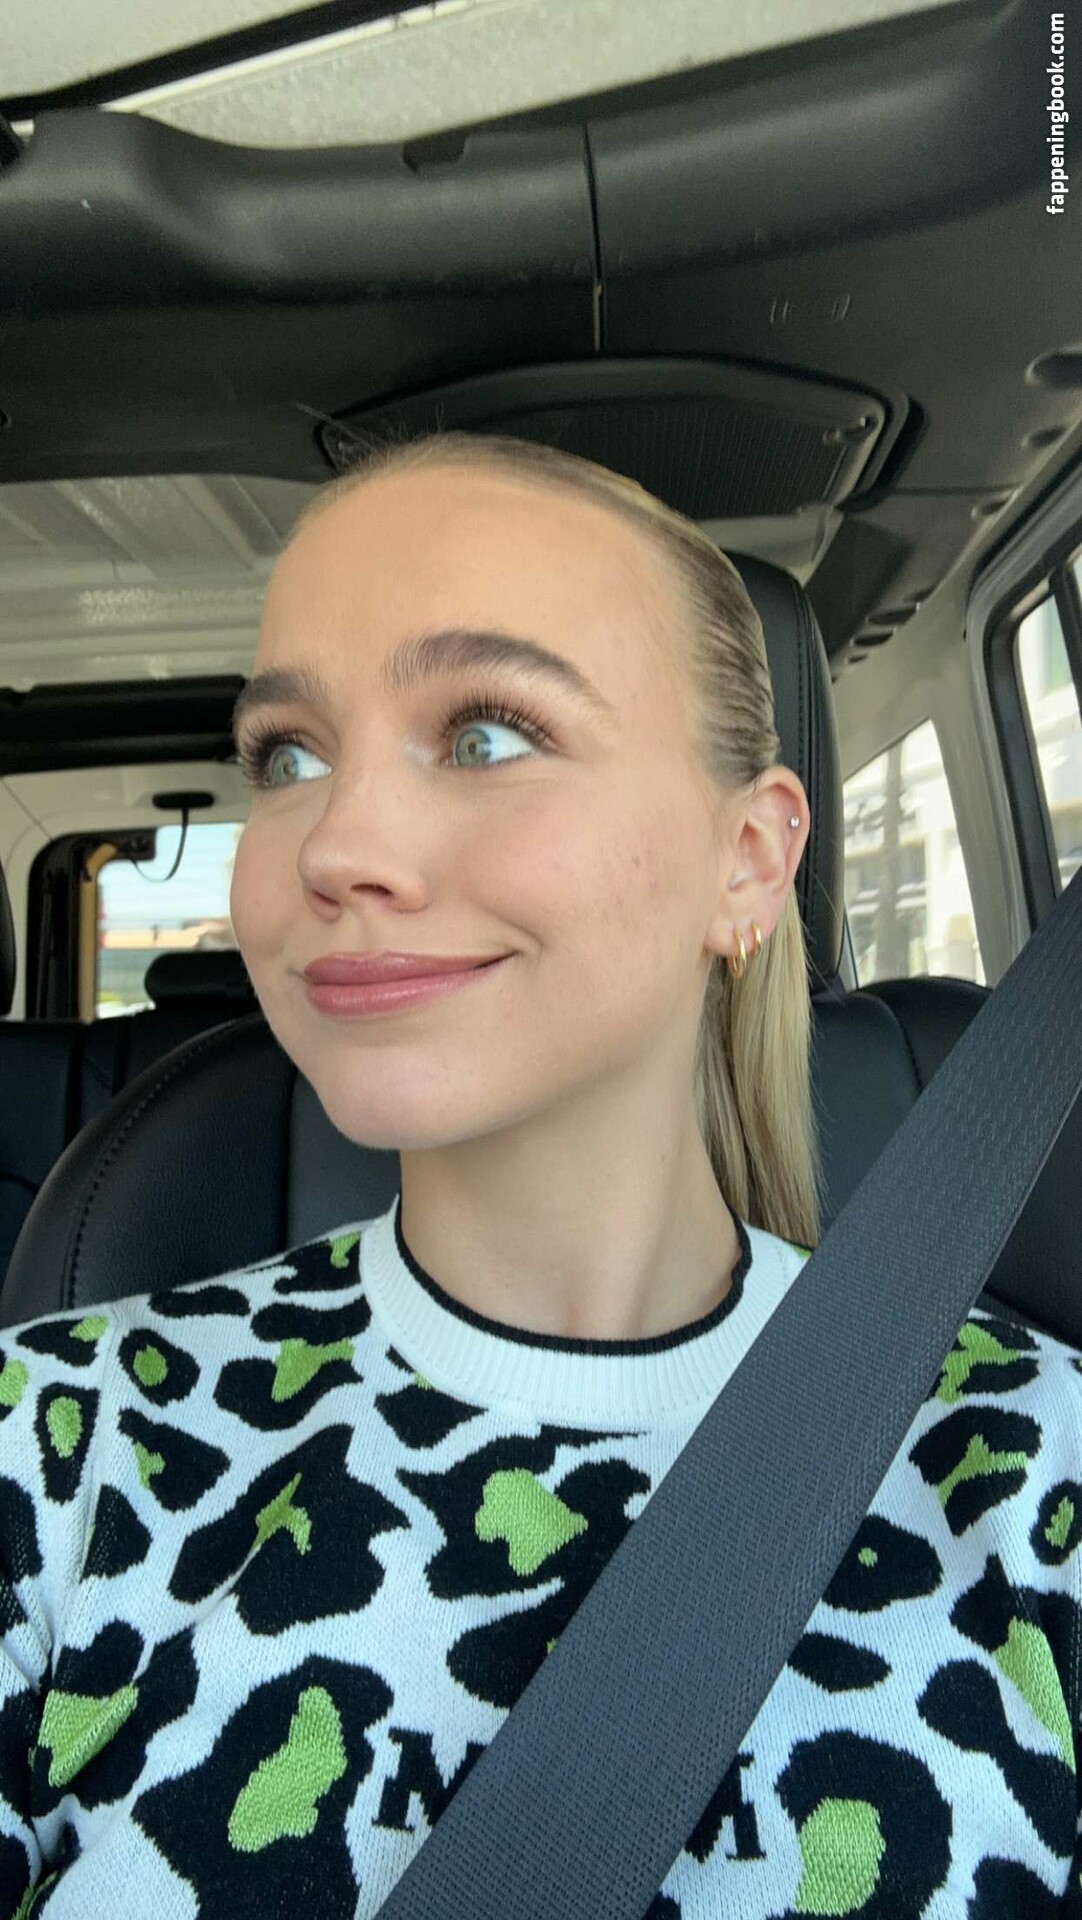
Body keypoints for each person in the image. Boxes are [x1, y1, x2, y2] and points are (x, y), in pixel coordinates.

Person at [0, 432, 1078, 1920]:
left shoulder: (1033, 1466)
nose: (336, 844)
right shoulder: (57, 1437)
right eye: (288, 756)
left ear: (747, 860)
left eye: (488, 734)